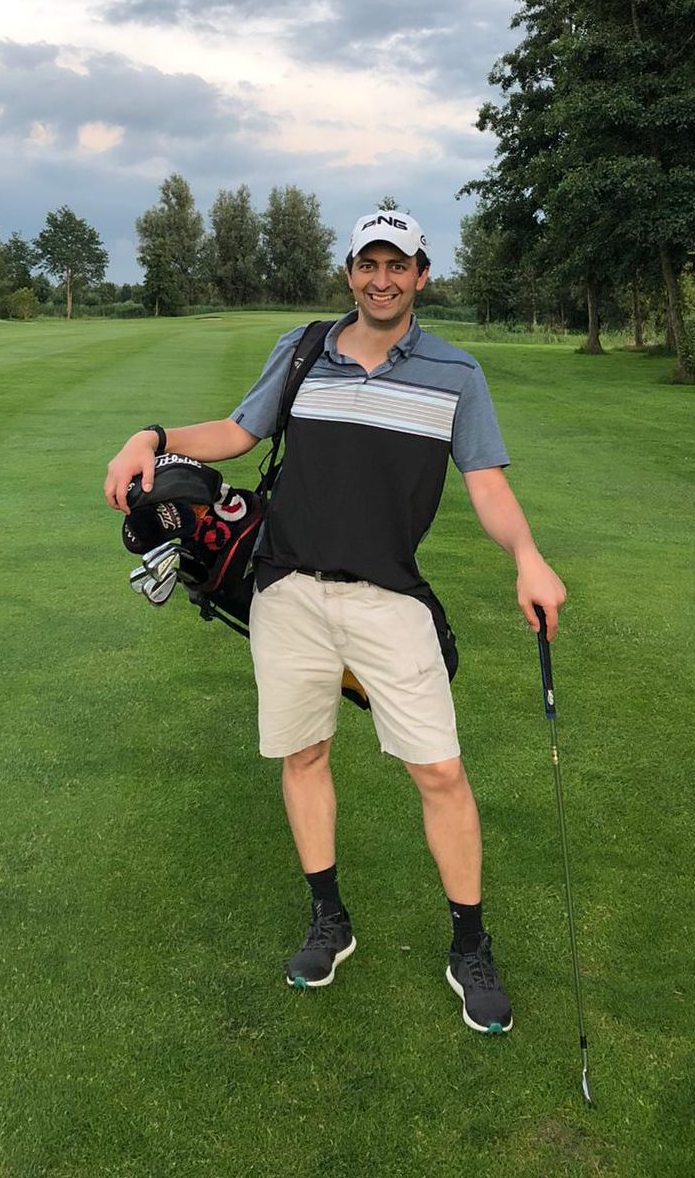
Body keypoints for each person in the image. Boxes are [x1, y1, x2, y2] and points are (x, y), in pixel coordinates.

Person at [104, 210, 566, 1033]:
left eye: (398, 265)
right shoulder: (304, 349)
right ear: (350, 270)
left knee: (440, 772)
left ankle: (470, 944)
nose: (381, 280)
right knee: (304, 754)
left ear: (421, 275)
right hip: (287, 592)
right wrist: (154, 436)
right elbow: (238, 433)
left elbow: (488, 484)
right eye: (368, 264)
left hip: (391, 597)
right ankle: (329, 918)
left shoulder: (456, 374)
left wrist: (528, 557)